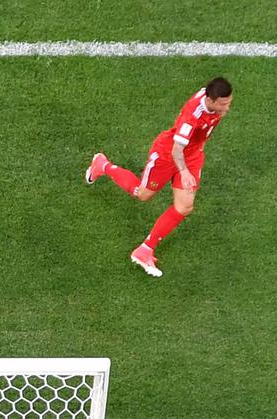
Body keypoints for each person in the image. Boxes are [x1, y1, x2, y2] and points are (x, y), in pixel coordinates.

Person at [85, 77, 233, 277]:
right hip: (168, 155)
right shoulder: (192, 117)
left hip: (192, 155)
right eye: (223, 104)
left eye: (229, 102)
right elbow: (176, 149)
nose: (227, 108)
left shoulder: (212, 101)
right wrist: (184, 172)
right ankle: (103, 165)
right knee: (143, 194)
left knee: (185, 206)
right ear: (211, 100)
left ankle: (145, 249)